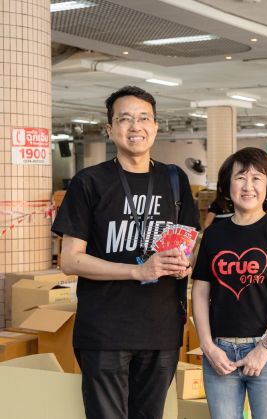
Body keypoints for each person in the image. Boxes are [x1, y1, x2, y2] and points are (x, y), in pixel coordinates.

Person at [52, 86, 200, 419]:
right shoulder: (89, 182)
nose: (136, 126)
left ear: (156, 126)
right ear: (110, 129)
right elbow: (69, 260)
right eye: (125, 119)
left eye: (144, 118)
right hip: (105, 330)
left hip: (161, 328)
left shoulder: (175, 179)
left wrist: (183, 264)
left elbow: (189, 245)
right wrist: (137, 271)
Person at [191, 147, 267, 419]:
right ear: (227, 186)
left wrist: (264, 349)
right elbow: (200, 292)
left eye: (257, 178)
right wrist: (207, 346)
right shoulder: (214, 235)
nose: (248, 186)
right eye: (240, 177)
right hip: (220, 352)